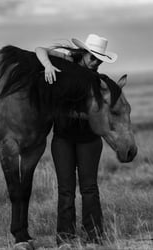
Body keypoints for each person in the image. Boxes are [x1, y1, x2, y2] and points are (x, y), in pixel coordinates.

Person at [35, 34, 117, 249]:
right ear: (84, 53)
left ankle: (95, 237)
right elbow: (40, 49)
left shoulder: (98, 80)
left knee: (89, 188)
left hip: (89, 140)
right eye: (93, 58)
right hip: (62, 139)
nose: (96, 63)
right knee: (65, 189)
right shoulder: (67, 61)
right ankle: (65, 239)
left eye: (99, 60)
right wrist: (48, 67)